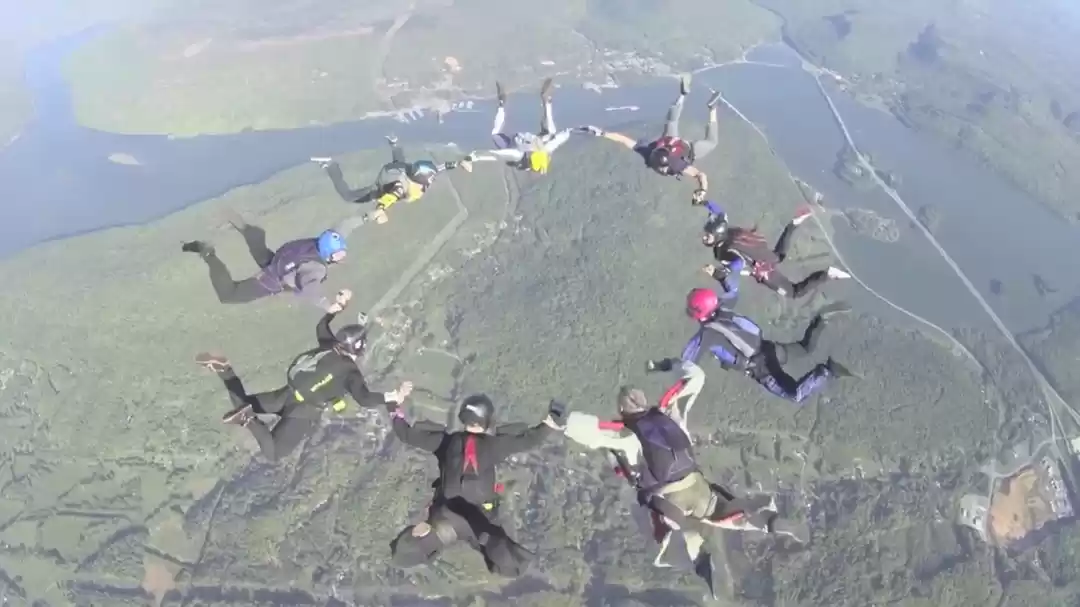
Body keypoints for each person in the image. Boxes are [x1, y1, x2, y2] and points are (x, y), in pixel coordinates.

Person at [560, 371, 806, 598]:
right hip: (699, 485)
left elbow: (591, 431)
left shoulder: (625, 432)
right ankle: (772, 522)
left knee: (681, 532)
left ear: (622, 409)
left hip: (669, 497)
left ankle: (701, 561)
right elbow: (692, 379)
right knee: (729, 514)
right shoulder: (665, 414)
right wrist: (670, 367)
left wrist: (562, 420)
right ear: (644, 402)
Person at [194, 290, 412, 462]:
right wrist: (394, 396)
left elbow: (321, 327)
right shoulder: (350, 372)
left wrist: (336, 309)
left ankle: (225, 370)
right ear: (360, 348)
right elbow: (365, 399)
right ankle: (247, 419)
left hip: (287, 394)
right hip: (304, 412)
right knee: (273, 453)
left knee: (243, 402)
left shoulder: (329, 346)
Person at [386, 395, 566, 577]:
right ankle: (510, 562)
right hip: (472, 518)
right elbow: (529, 439)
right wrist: (551, 421)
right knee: (494, 547)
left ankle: (407, 551)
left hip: (451, 516)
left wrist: (394, 405)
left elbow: (405, 434)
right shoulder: (495, 445)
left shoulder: (444, 442)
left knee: (485, 540)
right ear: (488, 420)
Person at [649, 288, 856, 405]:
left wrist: (660, 366)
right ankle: (821, 320)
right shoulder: (724, 310)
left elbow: (685, 362)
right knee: (805, 349)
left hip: (761, 369)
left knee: (795, 395)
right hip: (769, 349)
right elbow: (733, 291)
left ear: (698, 313)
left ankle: (827, 371)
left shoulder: (707, 334)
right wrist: (722, 274)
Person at [580, 74, 722, 204]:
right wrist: (602, 133)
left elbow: (700, 175)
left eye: (662, 169)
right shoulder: (650, 153)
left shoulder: (670, 162)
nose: (661, 171)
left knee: (710, 141)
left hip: (689, 150)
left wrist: (702, 191)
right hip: (671, 140)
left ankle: (708, 106)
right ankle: (684, 96)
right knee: (672, 121)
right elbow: (623, 140)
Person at [181, 217, 347, 311]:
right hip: (272, 279)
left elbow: (340, 230)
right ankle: (208, 253)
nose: (343, 255)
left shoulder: (316, 243)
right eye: (339, 253)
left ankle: (252, 232)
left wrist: (361, 218)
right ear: (328, 252)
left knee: (261, 255)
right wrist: (328, 305)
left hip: (279, 262)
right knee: (229, 295)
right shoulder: (316, 269)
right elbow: (310, 289)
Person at [701, 202, 850, 302]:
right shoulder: (729, 232)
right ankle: (793, 225)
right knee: (779, 256)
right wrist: (705, 202)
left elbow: (738, 263)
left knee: (794, 292)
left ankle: (827, 274)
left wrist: (722, 272)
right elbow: (720, 212)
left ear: (718, 235)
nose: (704, 237)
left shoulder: (725, 250)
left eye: (708, 235)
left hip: (764, 271)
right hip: (763, 256)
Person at [311, 135, 472, 225]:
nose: (427, 185)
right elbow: (390, 197)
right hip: (386, 181)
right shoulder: (400, 187)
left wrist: (459, 163)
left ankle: (395, 144)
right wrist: (380, 210)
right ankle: (330, 165)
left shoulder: (425, 174)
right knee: (348, 196)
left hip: (399, 169)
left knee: (400, 163)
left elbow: (441, 167)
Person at [465, 79, 571, 175]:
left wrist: (573, 131)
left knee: (550, 132)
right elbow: (494, 155)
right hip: (515, 143)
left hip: (526, 141)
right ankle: (503, 103)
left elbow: (561, 137)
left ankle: (546, 101)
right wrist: (470, 158)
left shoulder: (545, 149)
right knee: (495, 135)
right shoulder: (517, 155)